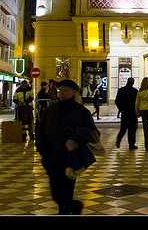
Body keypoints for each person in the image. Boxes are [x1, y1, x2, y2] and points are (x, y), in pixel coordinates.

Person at [36, 79, 99, 215]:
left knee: (66, 190)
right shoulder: (51, 109)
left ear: (74, 92)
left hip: (70, 158)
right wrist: (41, 149)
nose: (61, 93)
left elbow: (93, 133)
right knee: (56, 193)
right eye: (60, 91)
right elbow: (40, 129)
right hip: (51, 156)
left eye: (65, 91)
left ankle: (65, 210)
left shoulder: (81, 111)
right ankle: (74, 206)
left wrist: (75, 139)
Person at [115, 77, 138, 150]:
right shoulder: (135, 91)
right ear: (133, 83)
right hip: (132, 113)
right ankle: (131, 144)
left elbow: (117, 101)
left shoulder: (121, 90)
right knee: (132, 129)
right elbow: (137, 103)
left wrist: (121, 108)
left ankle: (119, 140)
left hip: (125, 112)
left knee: (123, 128)